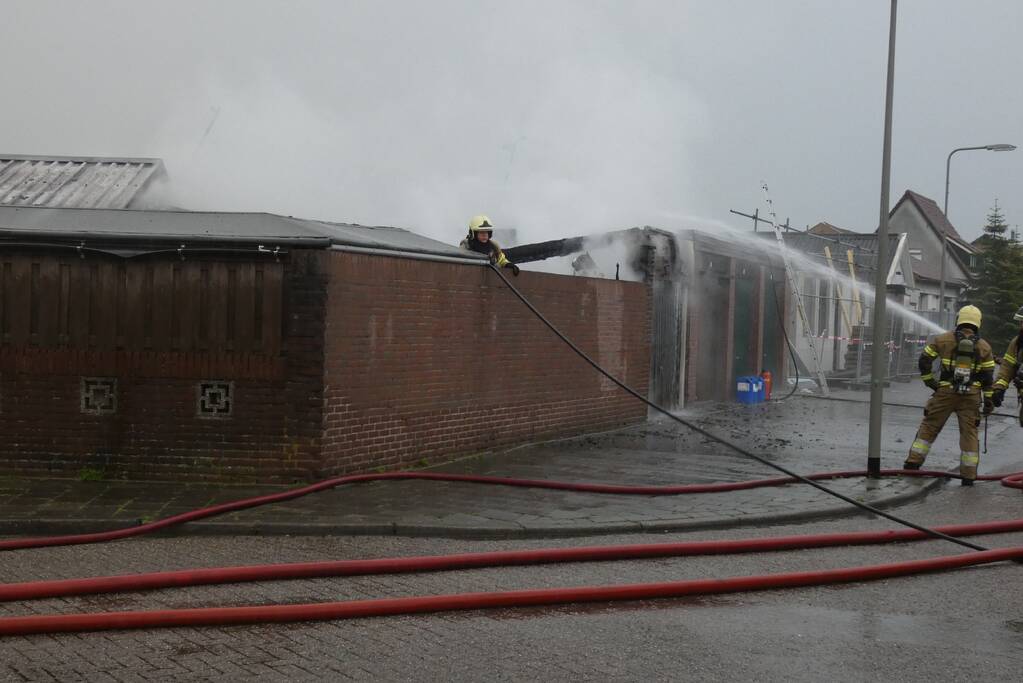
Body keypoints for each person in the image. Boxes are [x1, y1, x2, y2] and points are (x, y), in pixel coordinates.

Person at [904, 304, 996, 485]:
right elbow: (987, 377)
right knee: (969, 433)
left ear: (958, 320)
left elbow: (924, 360)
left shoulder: (942, 339)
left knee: (930, 426)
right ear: (978, 323)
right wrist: (989, 400)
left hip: (945, 392)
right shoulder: (985, 347)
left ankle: (913, 464)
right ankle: (968, 476)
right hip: (971, 396)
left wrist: (931, 382)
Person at [991, 305, 1023, 420]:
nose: (1022, 326)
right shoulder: (1017, 343)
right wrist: (999, 389)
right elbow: (1006, 368)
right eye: (1021, 322)